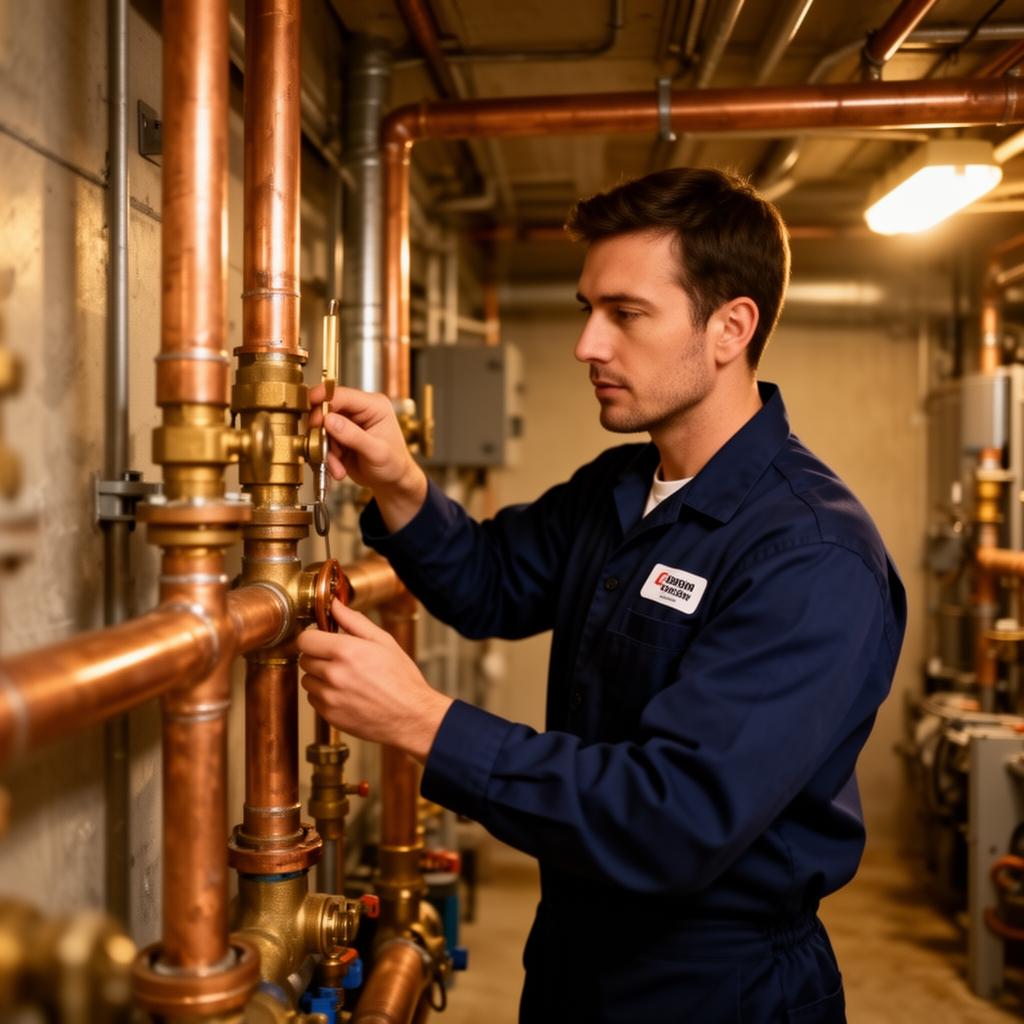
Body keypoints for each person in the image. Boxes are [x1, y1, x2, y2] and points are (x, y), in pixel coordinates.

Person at [297, 167, 906, 1024]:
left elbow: (677, 816)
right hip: (576, 956)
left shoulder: (811, 553)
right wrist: (398, 484)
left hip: (716, 988)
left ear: (732, 327)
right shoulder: (623, 485)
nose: (587, 344)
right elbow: (493, 584)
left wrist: (422, 722)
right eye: (589, 309)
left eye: (625, 314)